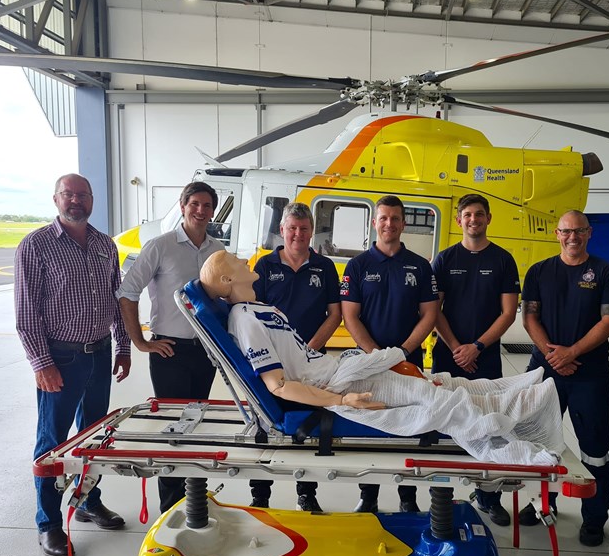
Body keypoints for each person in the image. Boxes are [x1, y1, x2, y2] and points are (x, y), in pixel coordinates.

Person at [199, 250, 563, 466]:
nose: (243, 258)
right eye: (234, 261)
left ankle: (516, 390)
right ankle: (520, 418)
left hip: (342, 368)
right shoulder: (244, 319)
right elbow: (277, 386)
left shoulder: (259, 308)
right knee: (434, 398)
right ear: (228, 280)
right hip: (337, 383)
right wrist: (342, 401)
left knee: (437, 382)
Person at [15, 173, 131, 556]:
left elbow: (116, 299)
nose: (76, 200)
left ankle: (88, 501)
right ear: (56, 199)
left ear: (92, 200)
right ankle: (48, 523)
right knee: (52, 442)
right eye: (68, 194)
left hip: (99, 354)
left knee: (95, 436)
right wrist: (41, 363)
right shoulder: (36, 245)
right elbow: (26, 313)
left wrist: (123, 346)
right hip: (61, 358)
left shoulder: (104, 244)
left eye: (83, 195)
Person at [117, 182, 225, 513]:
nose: (200, 210)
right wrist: (140, 342)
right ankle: (169, 509)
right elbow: (127, 292)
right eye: (194, 204)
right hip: (170, 351)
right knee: (173, 431)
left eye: (207, 205)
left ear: (213, 211)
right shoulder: (160, 246)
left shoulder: (217, 250)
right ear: (182, 206)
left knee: (199, 427)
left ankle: (194, 504)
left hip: (205, 351)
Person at [520, 210, 609, 547]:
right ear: (557, 234)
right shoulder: (539, 271)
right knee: (539, 443)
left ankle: (594, 518)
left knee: (594, 448)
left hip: (589, 375)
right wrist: (554, 356)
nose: (572, 237)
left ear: (589, 233)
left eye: (579, 231)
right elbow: (529, 318)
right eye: (566, 231)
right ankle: (541, 504)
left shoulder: (607, 272)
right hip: (544, 371)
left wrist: (572, 352)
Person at [341, 195, 439, 513]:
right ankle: (368, 495)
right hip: (368, 364)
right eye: (383, 218)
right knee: (371, 428)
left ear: (403, 223)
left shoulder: (420, 266)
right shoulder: (358, 266)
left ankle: (407, 497)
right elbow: (350, 316)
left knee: (410, 427)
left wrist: (404, 351)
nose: (389, 224)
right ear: (374, 223)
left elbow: (430, 313)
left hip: (408, 362)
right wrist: (377, 356)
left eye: (395, 218)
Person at [432, 194, 520, 527]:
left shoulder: (503, 260)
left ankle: (488, 498)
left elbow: (508, 313)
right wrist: (458, 347)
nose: (473, 219)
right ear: (459, 220)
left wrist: (477, 347)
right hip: (448, 355)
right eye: (467, 214)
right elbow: (433, 310)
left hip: (486, 358)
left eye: (479, 214)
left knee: (490, 428)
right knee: (442, 424)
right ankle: (439, 494)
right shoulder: (444, 259)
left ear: (488, 218)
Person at [248, 202, 341, 512]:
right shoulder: (265, 266)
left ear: (312, 231)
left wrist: (309, 350)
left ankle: (307, 493)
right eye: (292, 228)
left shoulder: (325, 267)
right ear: (282, 230)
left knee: (308, 427)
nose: (297, 234)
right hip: (271, 364)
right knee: (266, 428)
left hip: (312, 362)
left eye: (303, 229)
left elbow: (335, 314)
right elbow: (253, 314)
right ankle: (260, 495)